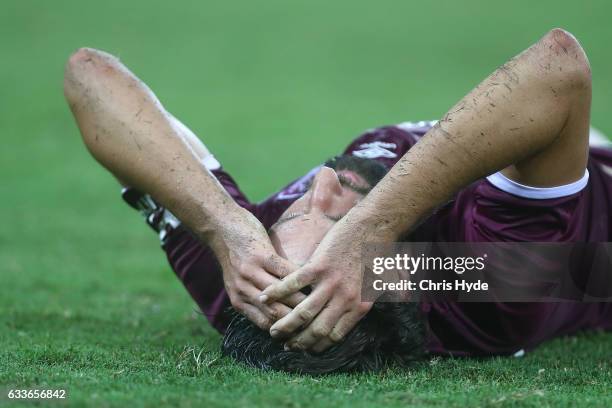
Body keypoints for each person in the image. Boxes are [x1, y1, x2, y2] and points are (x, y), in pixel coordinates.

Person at [64, 28, 612, 374]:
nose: (322, 183)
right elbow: (558, 69)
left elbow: (88, 77)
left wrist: (222, 224)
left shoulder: (239, 270)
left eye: (293, 209)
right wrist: (374, 225)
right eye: (334, 217)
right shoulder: (488, 286)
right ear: (394, 275)